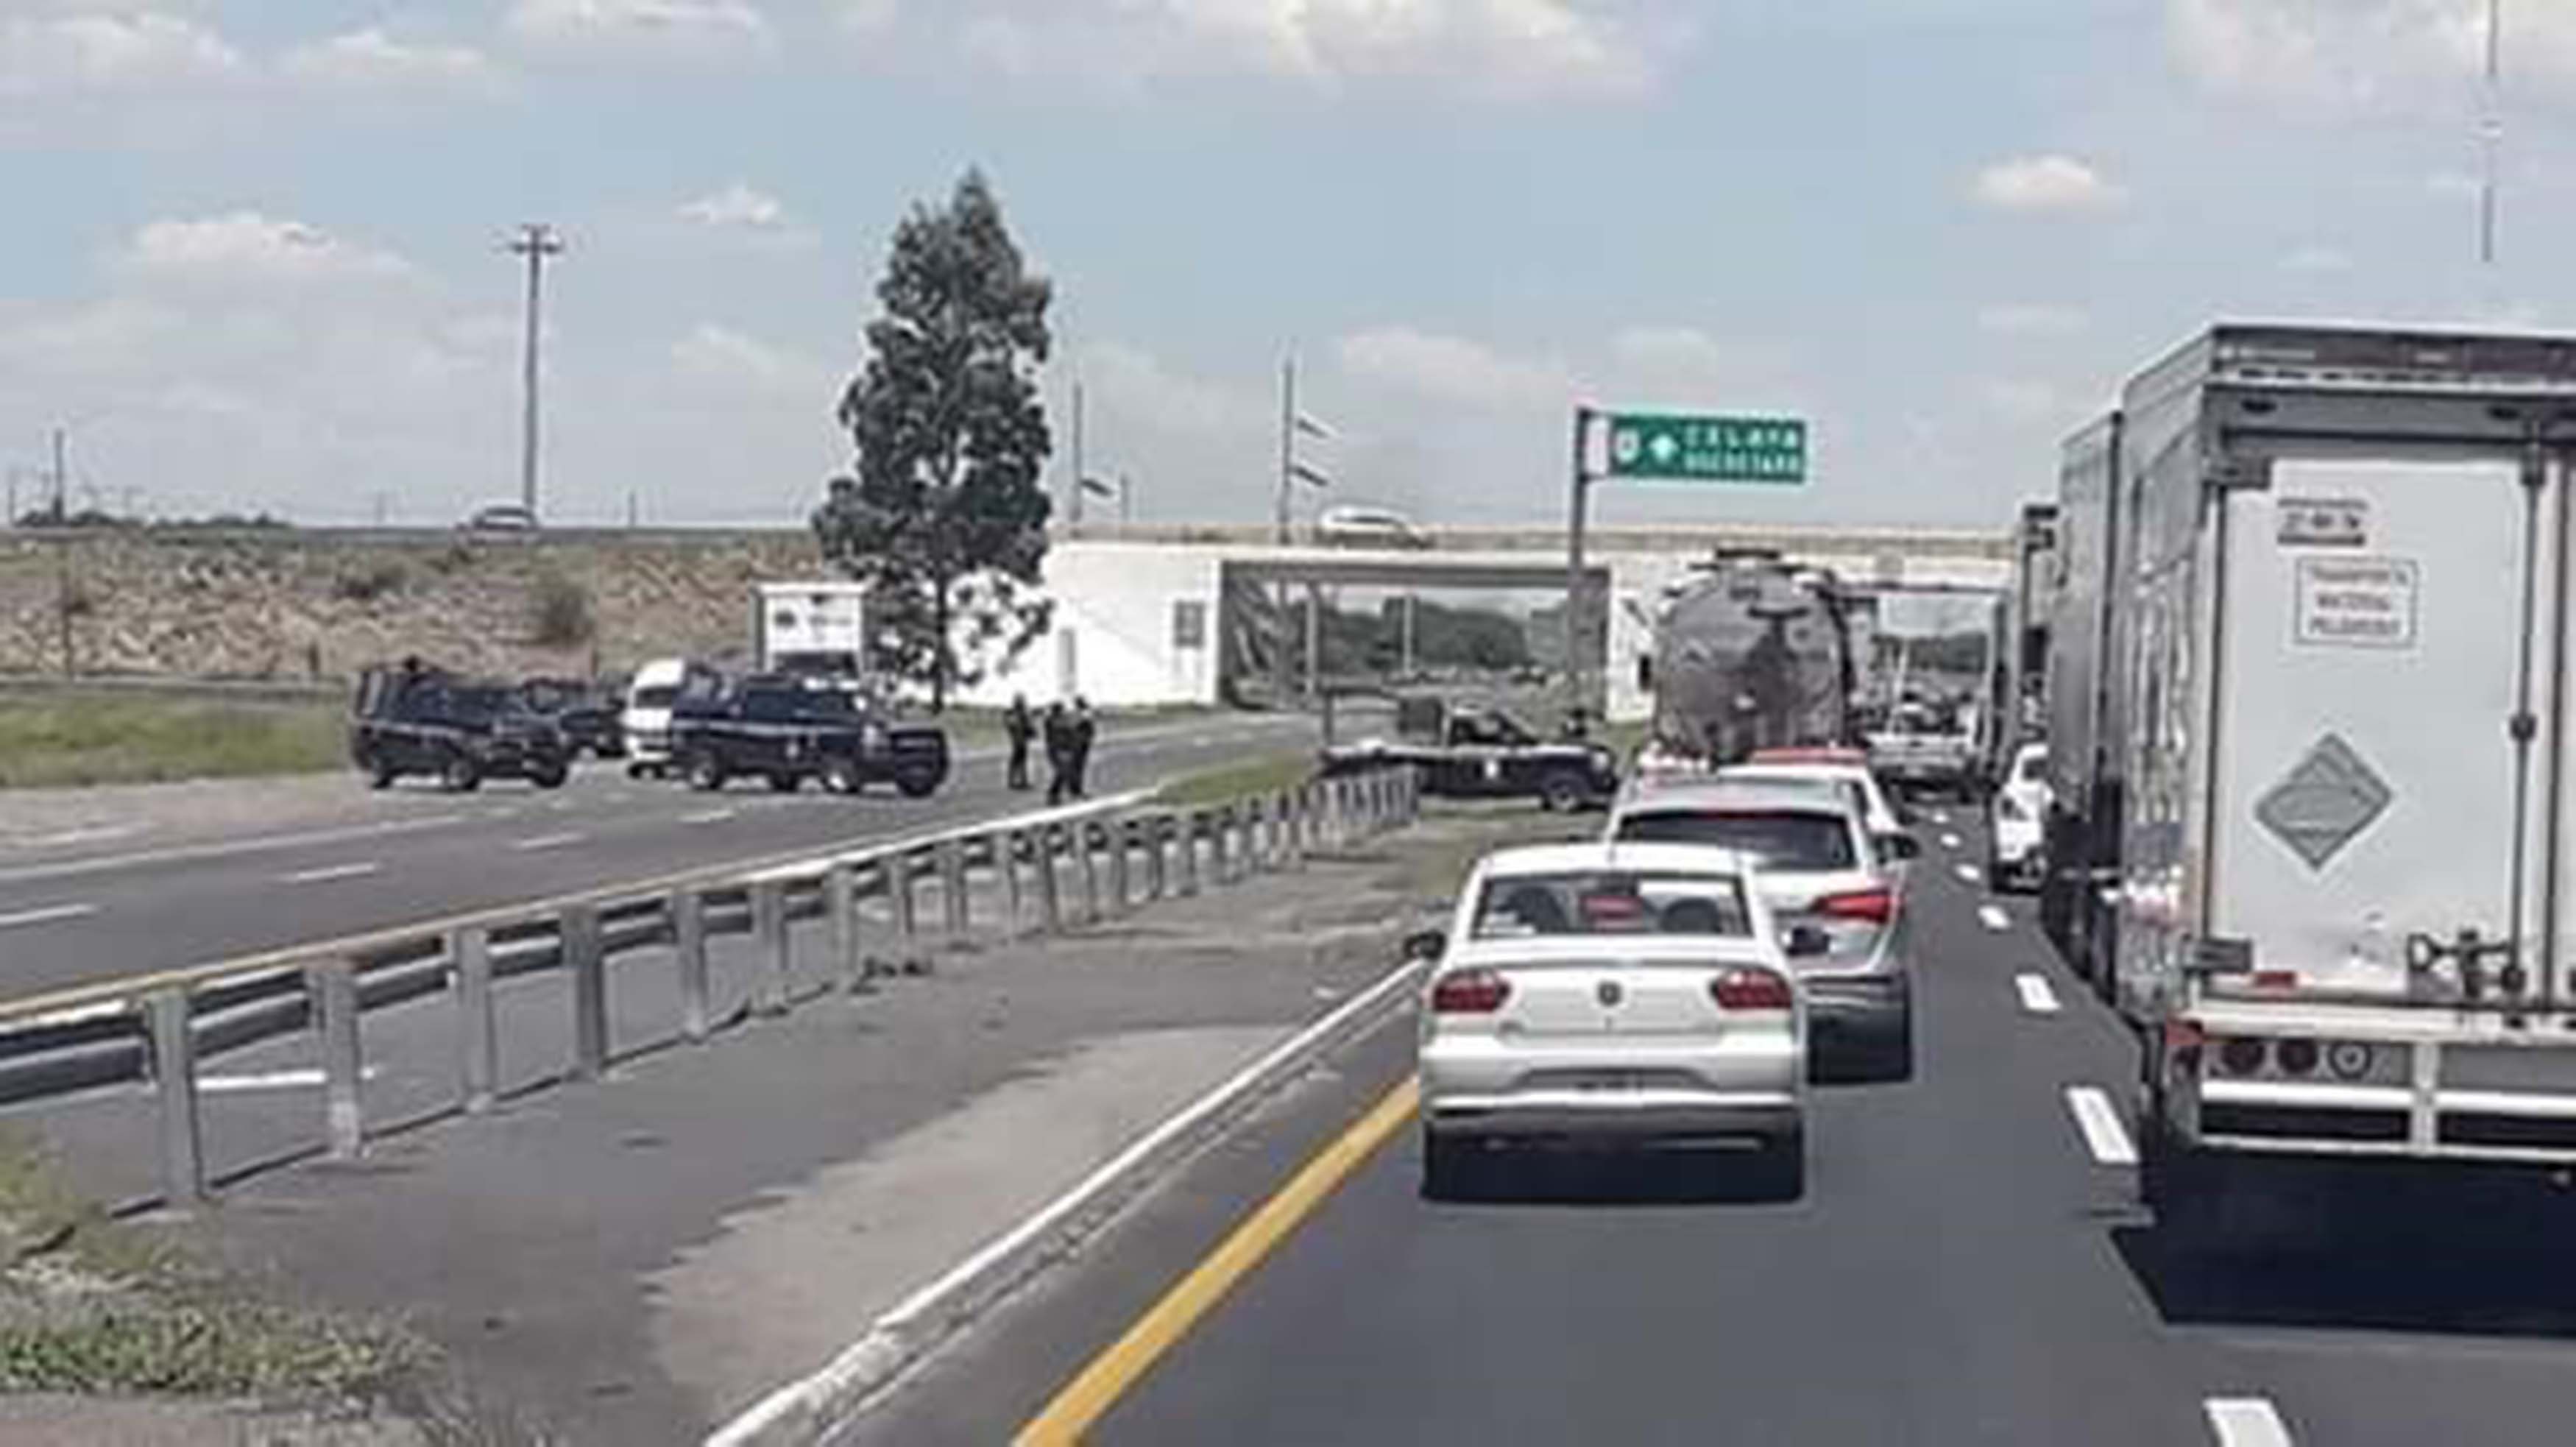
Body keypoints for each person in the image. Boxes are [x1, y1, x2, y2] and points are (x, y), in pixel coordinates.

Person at [1044, 701, 1075, 804]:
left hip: (1064, 749)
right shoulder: (1052, 720)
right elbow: (1053, 734)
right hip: (1056, 749)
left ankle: (1054, 795)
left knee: (1064, 772)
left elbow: (1070, 734)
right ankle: (1052, 794)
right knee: (1061, 771)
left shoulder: (1062, 720)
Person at [1068, 697, 1097, 799]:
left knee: (1077, 767)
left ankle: (1075, 789)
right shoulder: (1083, 714)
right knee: (1078, 767)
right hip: (1080, 743)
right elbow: (1089, 727)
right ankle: (1076, 789)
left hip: (1079, 742)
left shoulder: (1078, 714)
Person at [1005, 694, 1035, 791]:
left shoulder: (1017, 713)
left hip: (1020, 739)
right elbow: (1014, 726)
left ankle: (1020, 780)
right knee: (1018, 760)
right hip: (1019, 739)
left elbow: (1027, 726)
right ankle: (1016, 781)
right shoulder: (1015, 713)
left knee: (1020, 760)